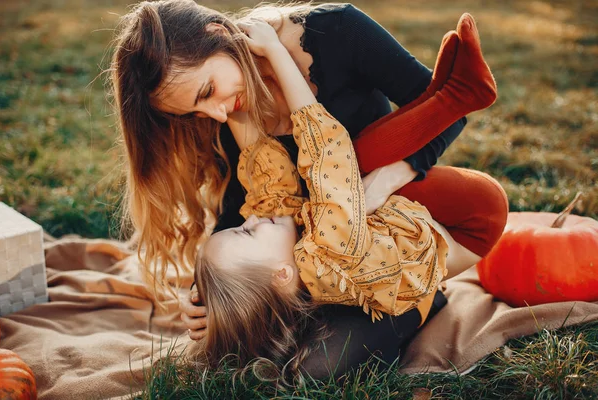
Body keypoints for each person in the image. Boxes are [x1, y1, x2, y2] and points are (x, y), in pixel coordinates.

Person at [110, 0, 507, 377]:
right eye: (195, 112)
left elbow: (445, 119)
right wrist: (216, 292)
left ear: (219, 33)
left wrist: (377, 185)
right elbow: (247, 203)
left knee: (356, 158)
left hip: (395, 210)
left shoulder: (339, 31)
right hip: (315, 251)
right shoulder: (232, 110)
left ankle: (419, 292)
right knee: (296, 356)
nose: (213, 113)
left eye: (206, 92)